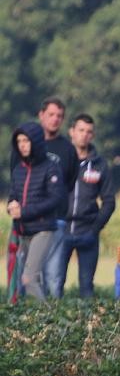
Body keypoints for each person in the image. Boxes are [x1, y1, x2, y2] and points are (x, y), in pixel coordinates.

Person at [44, 113, 115, 298]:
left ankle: (88, 325)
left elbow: (109, 201)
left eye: (89, 131)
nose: (84, 135)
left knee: (87, 288)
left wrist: (95, 228)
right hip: (61, 230)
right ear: (72, 132)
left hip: (88, 232)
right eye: (81, 130)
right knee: (54, 284)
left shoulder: (99, 165)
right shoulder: (58, 161)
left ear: (93, 135)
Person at [7, 122, 67, 300]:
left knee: (29, 278)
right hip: (23, 230)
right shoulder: (18, 170)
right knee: (21, 278)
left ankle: (48, 318)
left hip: (43, 229)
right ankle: (32, 319)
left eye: (26, 140)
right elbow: (13, 195)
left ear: (36, 142)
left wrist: (23, 212)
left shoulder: (51, 167)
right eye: (19, 141)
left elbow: (55, 199)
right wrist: (11, 206)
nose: (23, 145)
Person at [36, 97, 79, 190]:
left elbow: (70, 184)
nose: (55, 119)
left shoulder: (69, 150)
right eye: (51, 115)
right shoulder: (29, 144)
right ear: (41, 115)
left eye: (59, 116)